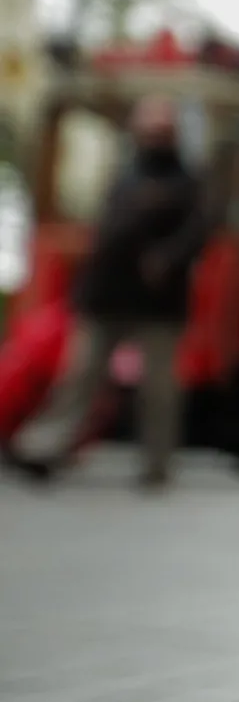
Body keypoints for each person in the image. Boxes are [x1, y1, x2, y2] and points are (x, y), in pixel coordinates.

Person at [12, 94, 209, 491]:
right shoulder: (125, 175)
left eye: (161, 125)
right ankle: (43, 448)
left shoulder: (187, 183)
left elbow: (197, 233)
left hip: (158, 301)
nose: (154, 131)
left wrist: (167, 261)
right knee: (80, 376)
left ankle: (157, 463)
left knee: (158, 389)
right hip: (105, 293)